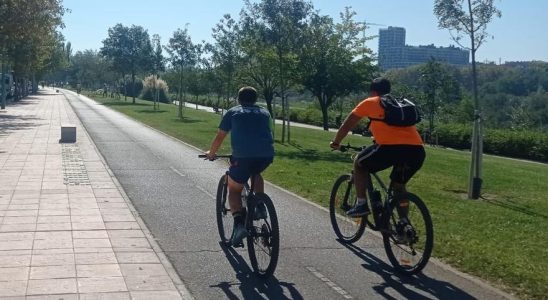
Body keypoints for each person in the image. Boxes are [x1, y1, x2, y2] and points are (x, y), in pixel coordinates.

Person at [330, 78, 425, 217]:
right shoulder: (398, 105)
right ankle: (404, 226)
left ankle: (361, 204)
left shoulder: (370, 102)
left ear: (373, 91)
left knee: (359, 163)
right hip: (416, 151)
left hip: (390, 149)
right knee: (399, 187)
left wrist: (336, 142)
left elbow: (348, 124)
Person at [206, 86, 274, 246]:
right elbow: (269, 132)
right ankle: (259, 205)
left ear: (239, 98)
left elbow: (220, 136)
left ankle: (238, 225)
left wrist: (211, 153)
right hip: (266, 155)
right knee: (256, 173)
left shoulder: (233, 112)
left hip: (242, 157)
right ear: (255, 99)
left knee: (234, 189)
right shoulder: (265, 113)